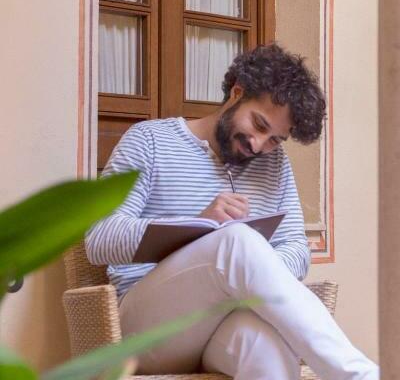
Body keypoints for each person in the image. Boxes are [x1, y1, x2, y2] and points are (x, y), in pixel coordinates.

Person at [85, 44, 379, 380]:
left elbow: (296, 249)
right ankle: (360, 375)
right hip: (146, 331)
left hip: (224, 323)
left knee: (268, 348)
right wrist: (200, 224)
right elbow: (99, 238)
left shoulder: (274, 164)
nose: (258, 144)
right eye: (258, 124)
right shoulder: (149, 140)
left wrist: (253, 271)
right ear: (237, 92)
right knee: (237, 240)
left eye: (274, 139)